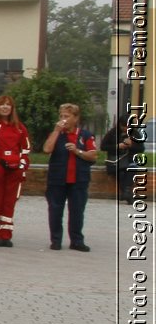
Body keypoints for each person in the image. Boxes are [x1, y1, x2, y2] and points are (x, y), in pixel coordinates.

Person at [43, 103, 97, 252]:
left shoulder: (85, 135)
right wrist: (56, 131)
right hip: (57, 178)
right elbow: (47, 149)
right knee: (55, 210)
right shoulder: (57, 134)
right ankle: (56, 240)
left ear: (76, 118)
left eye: (66, 116)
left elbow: (93, 155)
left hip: (79, 180)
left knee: (77, 211)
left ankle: (77, 241)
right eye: (61, 116)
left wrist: (77, 151)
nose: (63, 119)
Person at [0, 94, 30, 247]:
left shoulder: (19, 128)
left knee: (10, 202)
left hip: (14, 170)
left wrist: (22, 165)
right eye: (2, 104)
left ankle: (6, 234)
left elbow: (25, 149)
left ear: (12, 108)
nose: (5, 107)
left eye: (8, 104)